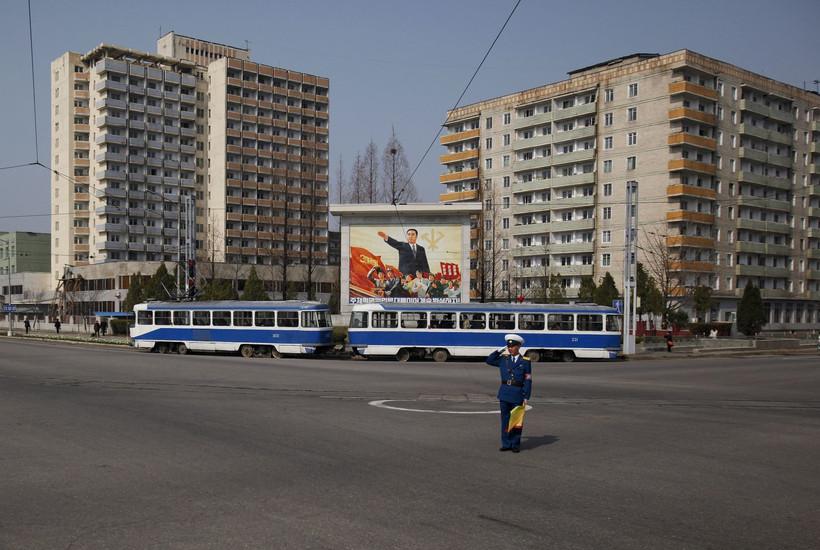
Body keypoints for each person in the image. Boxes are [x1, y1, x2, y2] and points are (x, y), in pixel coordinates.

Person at [486, 334, 532, 453]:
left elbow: (528, 380)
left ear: (519, 346)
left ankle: (515, 444)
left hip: (517, 394)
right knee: (505, 420)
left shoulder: (525, 362)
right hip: (505, 393)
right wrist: (499, 350)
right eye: (508, 346)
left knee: (516, 421)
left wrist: (526, 396)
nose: (510, 348)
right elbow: (489, 360)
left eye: (512, 346)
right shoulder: (503, 359)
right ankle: (506, 443)